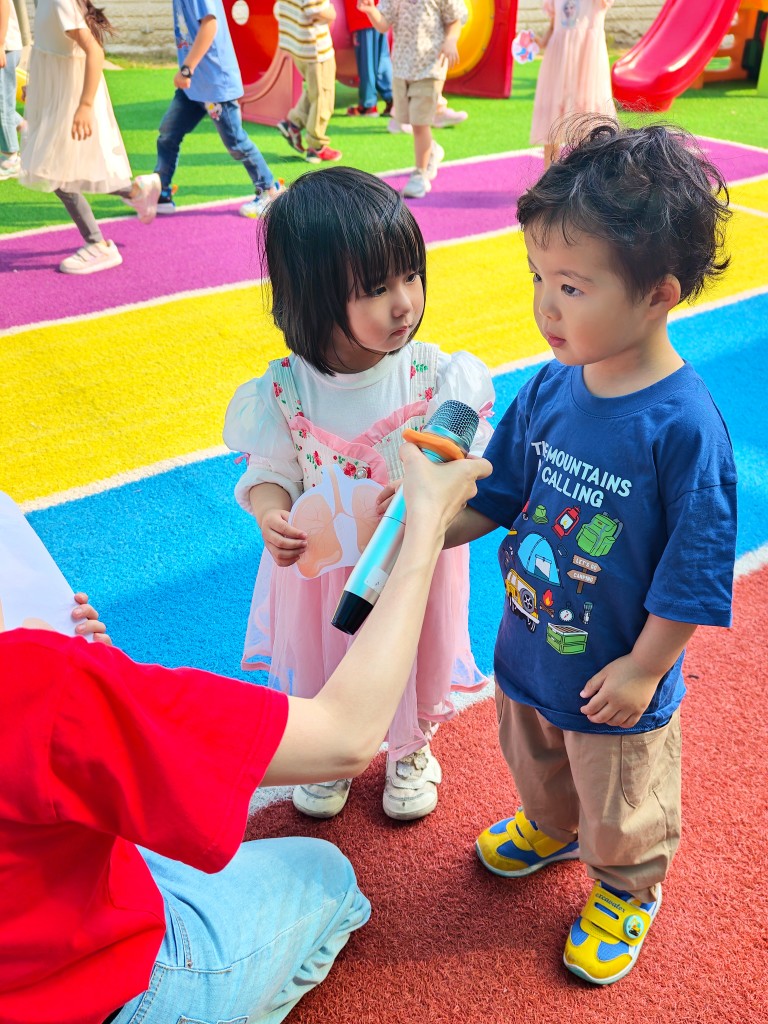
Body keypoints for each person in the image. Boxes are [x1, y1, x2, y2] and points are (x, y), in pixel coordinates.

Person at [0, 444, 490, 1024]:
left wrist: (89, 680)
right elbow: (345, 737)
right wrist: (424, 528)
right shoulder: (39, 681)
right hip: (102, 993)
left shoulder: (44, 680)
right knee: (328, 875)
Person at [445, 119, 737, 985]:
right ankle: (550, 827)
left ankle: (625, 883)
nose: (546, 305)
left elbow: (692, 571)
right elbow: (497, 493)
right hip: (532, 642)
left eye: (572, 286)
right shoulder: (551, 385)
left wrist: (645, 669)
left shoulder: (683, 428)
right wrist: (426, 524)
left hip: (615, 675)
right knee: (534, 756)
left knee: (620, 792)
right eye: (538, 277)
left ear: (657, 295)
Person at [224, 166, 494, 821]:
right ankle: (328, 752)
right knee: (330, 661)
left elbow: (470, 461)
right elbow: (272, 471)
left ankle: (411, 747)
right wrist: (272, 515)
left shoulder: (435, 376)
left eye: (411, 276)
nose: (404, 302)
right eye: (375, 289)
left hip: (411, 564)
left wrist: (434, 480)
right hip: (323, 573)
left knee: (415, 651)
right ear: (313, 298)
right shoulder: (286, 390)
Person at [18, 0, 161, 274]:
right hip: (58, 97)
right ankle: (136, 192)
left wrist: (84, 106)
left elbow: (94, 51)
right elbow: (49, 47)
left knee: (57, 173)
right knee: (66, 170)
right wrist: (36, 85)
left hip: (72, 99)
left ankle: (98, 245)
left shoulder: (59, 2)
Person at [154, 0, 283, 217]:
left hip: (215, 87)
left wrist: (187, 69)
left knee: (236, 142)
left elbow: (210, 25)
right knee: (168, 134)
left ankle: (269, 191)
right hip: (194, 88)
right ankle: (161, 193)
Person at [357, 0, 467, 198]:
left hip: (430, 68)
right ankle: (431, 150)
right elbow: (383, 24)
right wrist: (371, 11)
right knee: (405, 121)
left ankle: (419, 175)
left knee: (419, 124)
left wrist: (451, 40)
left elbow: (455, 19)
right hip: (402, 68)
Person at [530, 0, 615, 167]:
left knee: (589, 116)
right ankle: (549, 174)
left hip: (587, 63)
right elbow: (554, 27)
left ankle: (591, 174)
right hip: (558, 61)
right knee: (553, 113)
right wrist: (538, 41)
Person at [274, 0, 342, 163]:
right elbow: (316, 10)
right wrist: (332, 13)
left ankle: (294, 123)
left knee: (315, 89)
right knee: (323, 97)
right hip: (315, 48)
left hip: (298, 42)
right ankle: (316, 146)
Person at [343, 0, 393, 117]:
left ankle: (368, 104)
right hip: (378, 15)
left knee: (367, 63)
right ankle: (392, 100)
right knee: (381, 61)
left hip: (364, 16)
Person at [0, 0, 23, 179]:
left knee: (3, 103)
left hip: (5, 48)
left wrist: (0, 44)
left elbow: (3, 5)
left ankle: (11, 158)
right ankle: (25, 127)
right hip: (5, 46)